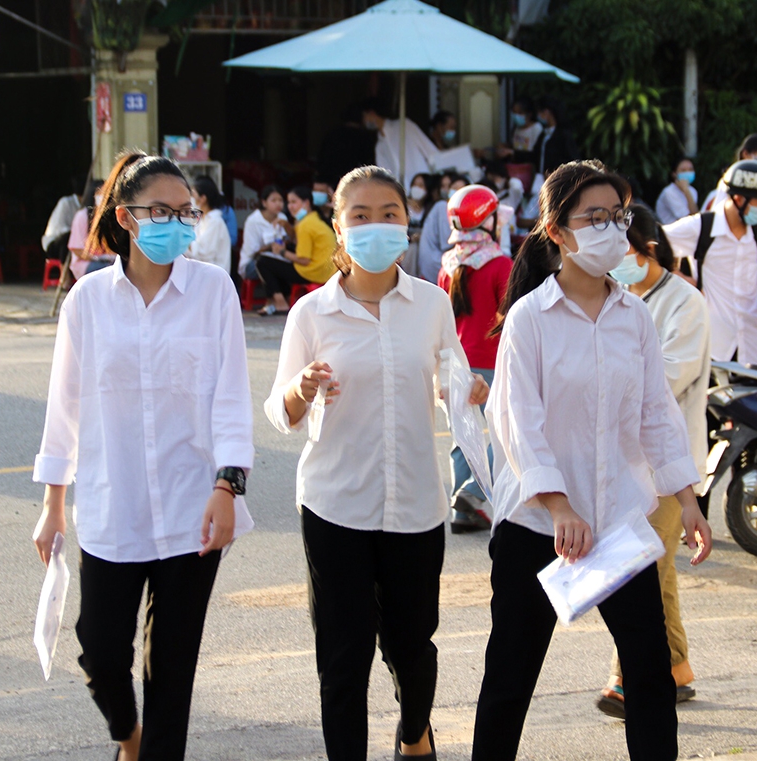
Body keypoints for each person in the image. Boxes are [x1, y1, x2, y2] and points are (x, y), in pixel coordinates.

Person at [471, 160, 711, 761]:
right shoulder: (531, 318)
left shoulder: (634, 317)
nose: (610, 229)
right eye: (594, 217)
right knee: (510, 679)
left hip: (620, 524)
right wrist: (558, 505)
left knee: (649, 674)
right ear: (557, 232)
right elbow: (515, 421)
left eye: (618, 216)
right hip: (538, 529)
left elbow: (657, 412)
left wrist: (688, 501)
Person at [31, 151, 254, 761]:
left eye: (187, 213)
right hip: (112, 509)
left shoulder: (213, 291)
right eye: (162, 211)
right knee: (100, 653)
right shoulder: (87, 302)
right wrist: (53, 504)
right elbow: (65, 409)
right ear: (127, 219)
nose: (177, 224)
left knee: (171, 670)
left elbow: (231, 396)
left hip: (194, 509)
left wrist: (228, 485)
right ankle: (128, 736)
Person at [264, 165, 488, 761]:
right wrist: (302, 389)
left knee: (413, 647)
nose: (375, 225)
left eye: (387, 213)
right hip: (334, 505)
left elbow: (456, 386)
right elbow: (278, 411)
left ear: (407, 223)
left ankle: (415, 732)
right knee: (342, 657)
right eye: (358, 216)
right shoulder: (312, 314)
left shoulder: (432, 304)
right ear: (338, 229)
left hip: (415, 505)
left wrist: (470, 393)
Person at [597, 203, 711, 719]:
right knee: (648, 565)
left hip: (669, 459)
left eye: (622, 251)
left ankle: (634, 677)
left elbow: (666, 378)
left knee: (648, 563)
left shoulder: (684, 303)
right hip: (624, 460)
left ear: (647, 251)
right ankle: (672, 669)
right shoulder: (617, 299)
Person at [437, 185, 514, 534]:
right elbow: (510, 319)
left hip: (455, 364)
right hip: (493, 364)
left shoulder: (447, 264)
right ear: (489, 219)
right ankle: (473, 493)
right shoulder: (500, 264)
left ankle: (463, 509)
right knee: (503, 435)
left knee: (462, 439)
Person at [664, 159, 757, 366]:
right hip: (711, 347)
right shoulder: (700, 227)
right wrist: (680, 279)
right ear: (738, 199)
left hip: (754, 345)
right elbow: (652, 242)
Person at [256, 186, 338, 301]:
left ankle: (280, 302)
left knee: (263, 262)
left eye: (294, 202)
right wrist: (286, 226)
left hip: (315, 272)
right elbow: (296, 241)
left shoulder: (305, 225)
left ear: (306, 203)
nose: (290, 206)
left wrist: (282, 252)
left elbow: (304, 260)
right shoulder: (312, 219)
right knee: (279, 261)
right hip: (326, 270)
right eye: (289, 202)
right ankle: (286, 298)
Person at [361, 97, 440, 184]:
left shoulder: (404, 125)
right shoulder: (380, 146)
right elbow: (384, 176)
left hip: (424, 184)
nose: (364, 122)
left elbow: (430, 150)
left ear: (372, 113)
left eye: (364, 116)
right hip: (403, 191)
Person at [240, 185, 293, 315]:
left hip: (277, 258)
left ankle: (273, 301)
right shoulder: (253, 221)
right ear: (264, 202)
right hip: (252, 263)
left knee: (283, 264)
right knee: (265, 263)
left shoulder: (282, 218)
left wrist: (286, 228)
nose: (278, 204)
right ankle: (276, 300)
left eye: (280, 200)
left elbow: (290, 240)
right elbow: (253, 251)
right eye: (273, 200)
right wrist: (271, 247)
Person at [418, 174, 469, 284]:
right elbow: (448, 244)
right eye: (454, 188)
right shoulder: (443, 206)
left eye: (460, 189)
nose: (456, 191)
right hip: (436, 265)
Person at [318, 102, 378, 187]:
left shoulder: (332, 135)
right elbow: (369, 162)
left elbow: (322, 160)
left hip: (331, 180)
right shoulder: (364, 138)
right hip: (355, 182)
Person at [67, 181, 114, 280]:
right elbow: (77, 250)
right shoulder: (82, 216)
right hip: (85, 263)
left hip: (107, 260)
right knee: (108, 271)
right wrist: (97, 258)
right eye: (100, 193)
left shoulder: (109, 217)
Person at [187, 175, 232, 273]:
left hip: (213, 276)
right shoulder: (202, 220)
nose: (190, 199)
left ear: (203, 198)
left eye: (193, 195)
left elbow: (204, 253)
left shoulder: (215, 222)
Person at [654, 158, 699, 224]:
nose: (687, 173)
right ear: (674, 174)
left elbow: (695, 215)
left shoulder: (693, 191)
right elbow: (687, 218)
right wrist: (686, 190)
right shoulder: (669, 192)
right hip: (668, 231)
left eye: (690, 170)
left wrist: (687, 191)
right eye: (683, 170)